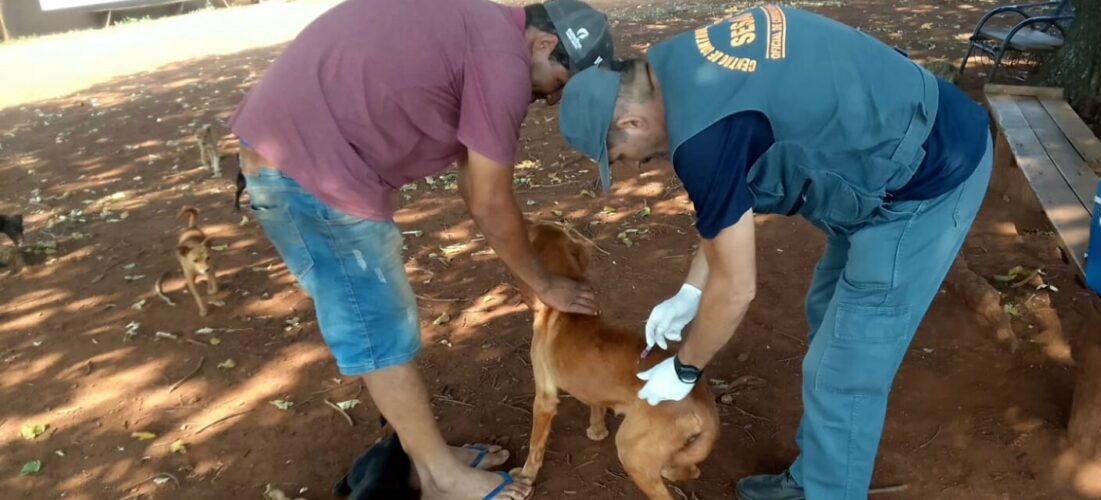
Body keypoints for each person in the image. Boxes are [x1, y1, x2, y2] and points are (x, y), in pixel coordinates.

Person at [556, 6, 992, 499]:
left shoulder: (701, 136)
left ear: (632, 122)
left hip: (927, 179)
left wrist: (684, 368)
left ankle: (828, 491)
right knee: (826, 315)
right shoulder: (677, 66)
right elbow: (729, 209)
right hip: (882, 149)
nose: (632, 169)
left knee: (842, 371)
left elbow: (738, 288)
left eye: (618, 158)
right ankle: (814, 479)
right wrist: (689, 291)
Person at [229, 0, 613, 498]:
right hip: (307, 169)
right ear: (543, 44)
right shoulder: (503, 63)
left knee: (383, 319)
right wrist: (543, 284)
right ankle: (438, 479)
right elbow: (492, 203)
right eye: (563, 81)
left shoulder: (481, 29)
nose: (555, 99)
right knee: (378, 328)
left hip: (297, 152)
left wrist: (524, 273)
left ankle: (426, 456)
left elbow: (474, 187)